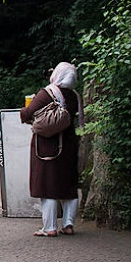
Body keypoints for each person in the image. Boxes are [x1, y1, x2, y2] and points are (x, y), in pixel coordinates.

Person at [20, 61, 83, 237]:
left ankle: (49, 227)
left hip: (47, 147)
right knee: (68, 185)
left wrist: (26, 109)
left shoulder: (47, 93)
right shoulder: (74, 96)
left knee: (47, 185)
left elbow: (27, 113)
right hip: (69, 145)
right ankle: (69, 224)